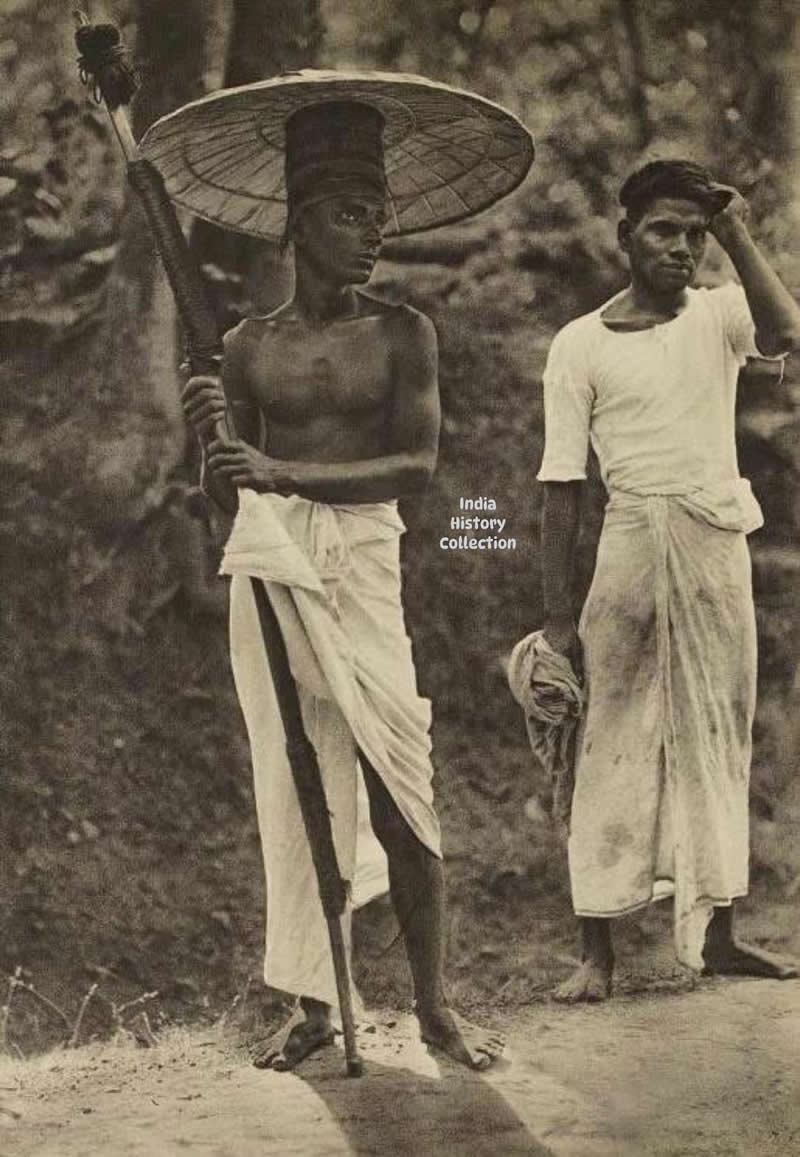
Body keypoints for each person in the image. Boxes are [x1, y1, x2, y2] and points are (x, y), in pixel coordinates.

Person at [180, 94, 516, 1069]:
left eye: (381, 213)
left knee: (398, 772)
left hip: (365, 563)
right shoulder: (244, 346)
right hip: (272, 560)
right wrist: (213, 433)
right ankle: (315, 1005)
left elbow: (413, 467)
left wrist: (282, 474)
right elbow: (222, 493)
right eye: (349, 212)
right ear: (297, 221)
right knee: (293, 778)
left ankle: (435, 1005)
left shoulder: (404, 332)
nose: (373, 232)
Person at [537, 159, 800, 1002]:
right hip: (626, 549)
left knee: (718, 731)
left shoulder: (722, 316)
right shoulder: (578, 342)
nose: (682, 248)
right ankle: (596, 952)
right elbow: (561, 485)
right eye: (664, 231)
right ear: (625, 237)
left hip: (713, 540)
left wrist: (737, 232)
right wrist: (556, 621)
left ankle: (717, 933)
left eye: (693, 234)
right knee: (609, 734)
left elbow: (788, 332)